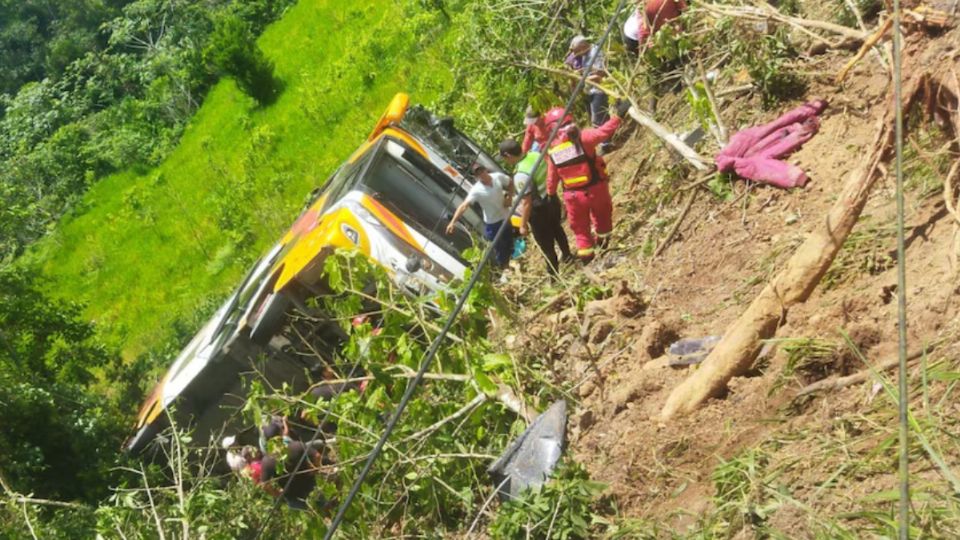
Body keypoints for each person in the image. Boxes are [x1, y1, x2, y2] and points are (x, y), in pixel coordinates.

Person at [544, 100, 630, 262]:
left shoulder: (553, 151)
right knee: (603, 217)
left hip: (574, 197)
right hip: (597, 189)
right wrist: (618, 116)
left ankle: (587, 257)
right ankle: (604, 244)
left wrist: (551, 195)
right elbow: (604, 132)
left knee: (580, 229)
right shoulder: (584, 137)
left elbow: (551, 178)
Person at [498, 138, 572, 276]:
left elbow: (527, 202)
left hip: (539, 212)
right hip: (552, 199)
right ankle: (568, 256)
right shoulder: (535, 155)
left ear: (508, 155)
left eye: (504, 158)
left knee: (546, 245)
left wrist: (523, 225)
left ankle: (554, 275)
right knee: (558, 230)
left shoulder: (521, 174)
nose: (505, 161)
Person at [446, 163, 515, 269]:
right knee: (499, 248)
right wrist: (452, 222)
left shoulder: (497, 177)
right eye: (478, 174)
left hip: (505, 216)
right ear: (476, 177)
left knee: (510, 241)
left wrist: (509, 198)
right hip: (493, 223)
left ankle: (515, 261)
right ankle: (505, 268)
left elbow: (510, 182)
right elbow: (464, 206)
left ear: (485, 169)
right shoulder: (476, 190)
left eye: (482, 171)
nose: (481, 174)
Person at [565, 35, 609, 128]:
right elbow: (589, 69)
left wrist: (580, 78)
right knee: (600, 118)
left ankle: (605, 141)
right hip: (590, 90)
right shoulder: (585, 54)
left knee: (597, 121)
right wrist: (579, 72)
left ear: (583, 47)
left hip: (599, 90)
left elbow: (600, 75)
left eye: (577, 52)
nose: (576, 55)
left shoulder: (595, 53)